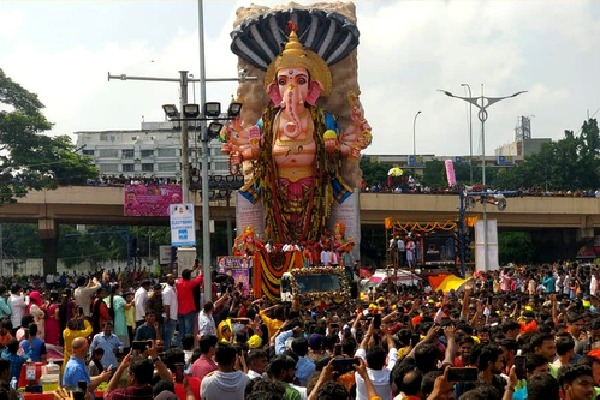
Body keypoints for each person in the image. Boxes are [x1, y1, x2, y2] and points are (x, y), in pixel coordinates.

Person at [176, 264, 203, 343]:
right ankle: (187, 348)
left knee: (181, 332)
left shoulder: (179, 283)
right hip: (189, 310)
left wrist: (192, 270)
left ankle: (180, 347)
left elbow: (184, 276)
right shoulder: (190, 284)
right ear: (189, 277)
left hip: (180, 310)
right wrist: (200, 270)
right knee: (188, 332)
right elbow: (199, 279)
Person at [162, 274, 178, 349]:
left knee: (170, 337)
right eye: (170, 278)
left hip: (173, 317)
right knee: (168, 338)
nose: (173, 279)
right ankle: (166, 352)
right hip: (170, 317)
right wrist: (168, 317)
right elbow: (167, 305)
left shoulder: (172, 288)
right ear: (167, 280)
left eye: (173, 278)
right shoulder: (167, 290)